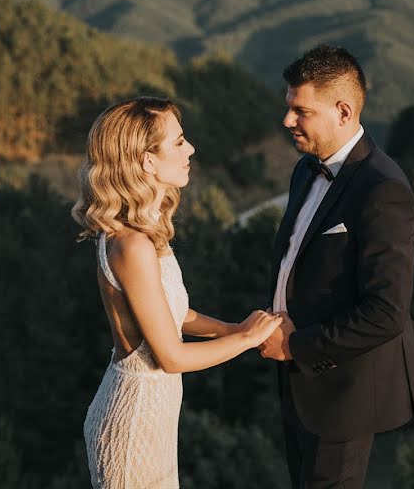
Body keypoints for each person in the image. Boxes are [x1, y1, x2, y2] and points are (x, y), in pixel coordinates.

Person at [73, 97, 281, 489]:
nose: (191, 149)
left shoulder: (143, 232)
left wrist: (232, 329)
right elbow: (171, 356)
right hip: (133, 421)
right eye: (179, 142)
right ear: (148, 162)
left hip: (152, 415)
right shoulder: (131, 245)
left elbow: (176, 315)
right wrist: (247, 338)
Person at [259, 45, 414, 489]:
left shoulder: (383, 189)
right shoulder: (304, 170)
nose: (287, 121)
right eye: (288, 108)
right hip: (295, 378)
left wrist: (296, 345)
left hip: (345, 386)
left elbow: (386, 313)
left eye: (301, 111)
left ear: (343, 111)